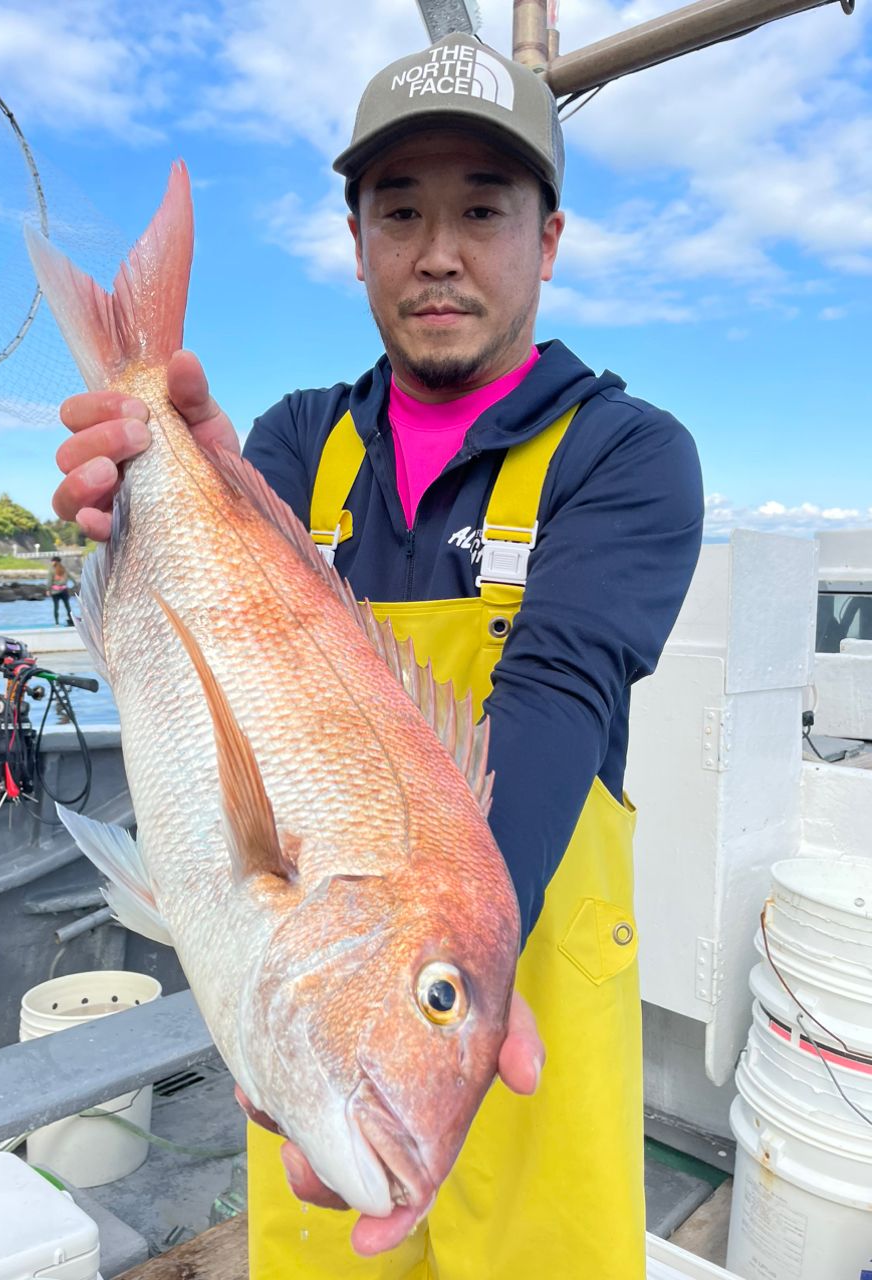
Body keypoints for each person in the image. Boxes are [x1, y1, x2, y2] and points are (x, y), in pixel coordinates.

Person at [51, 32, 703, 1280]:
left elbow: (559, 690)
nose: (439, 250)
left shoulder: (625, 453)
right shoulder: (297, 443)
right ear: (355, 242)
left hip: (518, 1052)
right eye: (400, 210)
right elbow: (201, 661)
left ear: (549, 240)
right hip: (326, 1056)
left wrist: (443, 963)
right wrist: (154, 484)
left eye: (483, 209)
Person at [47, 555, 74, 626]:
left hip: (55, 591)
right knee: (67, 607)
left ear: (54, 562)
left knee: (56, 607)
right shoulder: (64, 569)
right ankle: (72, 621)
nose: (51, 563)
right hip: (64, 590)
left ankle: (57, 623)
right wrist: (76, 584)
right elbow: (71, 578)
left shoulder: (51, 570)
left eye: (52, 561)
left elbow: (49, 581)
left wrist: (48, 590)